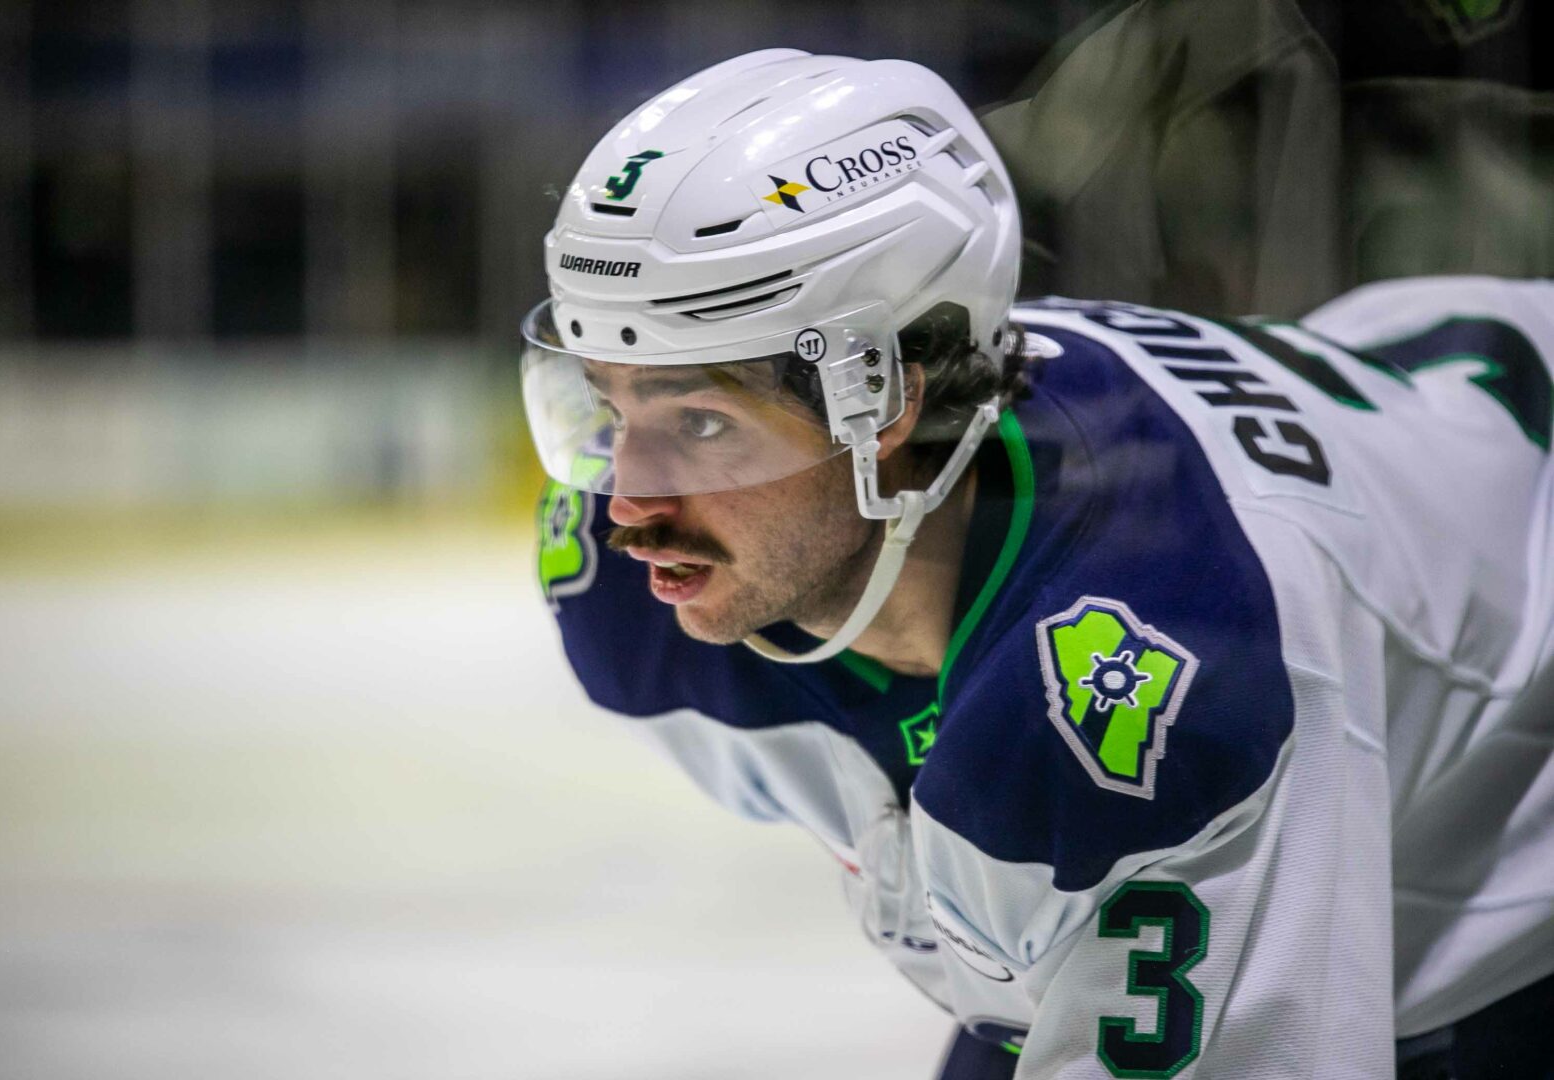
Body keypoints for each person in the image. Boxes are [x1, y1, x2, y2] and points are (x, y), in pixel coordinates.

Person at [521, 48, 1554, 1079]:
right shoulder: (634, 591)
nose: (626, 506)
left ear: (889, 403)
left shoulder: (1186, 645)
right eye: (613, 405)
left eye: (701, 422)